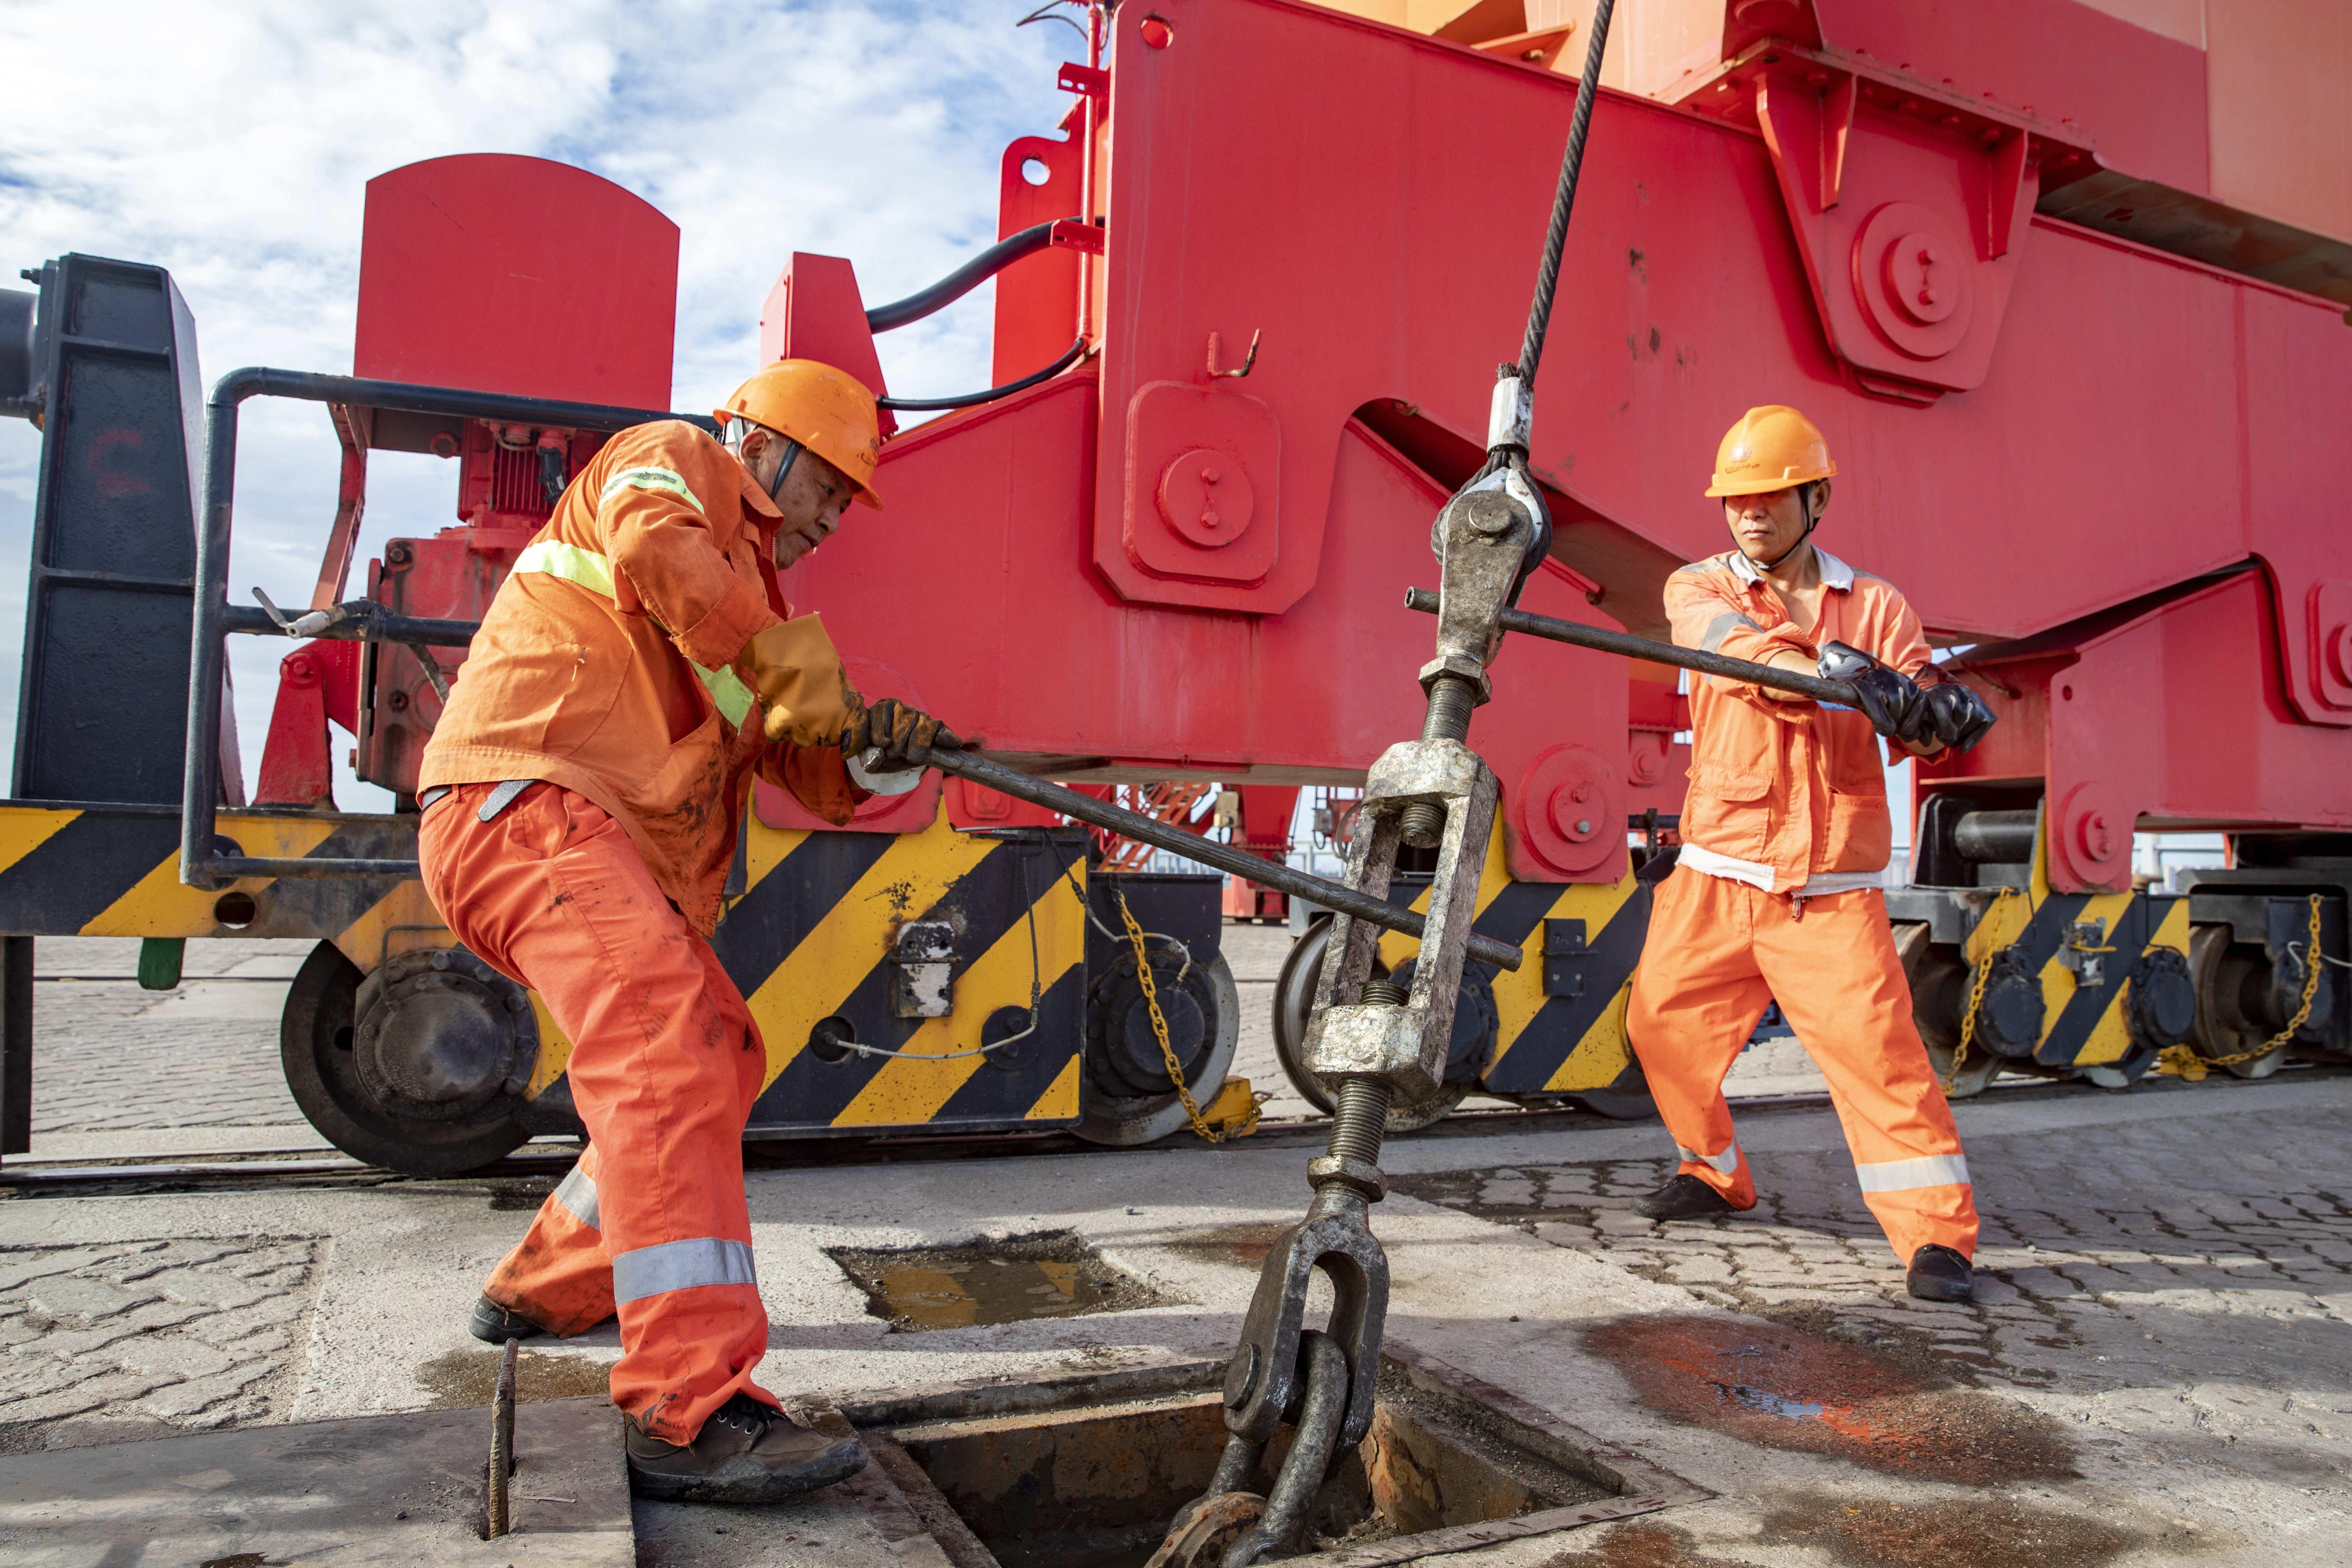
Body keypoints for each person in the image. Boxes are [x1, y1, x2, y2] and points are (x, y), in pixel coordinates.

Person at [416, 359, 963, 1502]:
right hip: (532, 799)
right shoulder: (675, 463)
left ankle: (549, 1285)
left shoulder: (741, 600)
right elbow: (656, 545)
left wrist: (869, 749)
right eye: (828, 486)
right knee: (668, 1045)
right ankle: (689, 1409)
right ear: (769, 445)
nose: (829, 518)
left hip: (575, 833)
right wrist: (782, 658)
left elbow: (799, 763)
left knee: (712, 1046)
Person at [1624, 405, 1997, 1303]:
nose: (1748, 515)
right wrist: (1842, 672)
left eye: (1768, 497)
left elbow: (1913, 708)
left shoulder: (1878, 606)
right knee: (1659, 1030)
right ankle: (1713, 1173)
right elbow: (1741, 661)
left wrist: (1928, 710)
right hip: (1718, 867)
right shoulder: (1695, 589)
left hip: (1827, 886)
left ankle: (1936, 1240)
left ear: (1815, 496)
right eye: (1735, 501)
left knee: (1879, 1060)